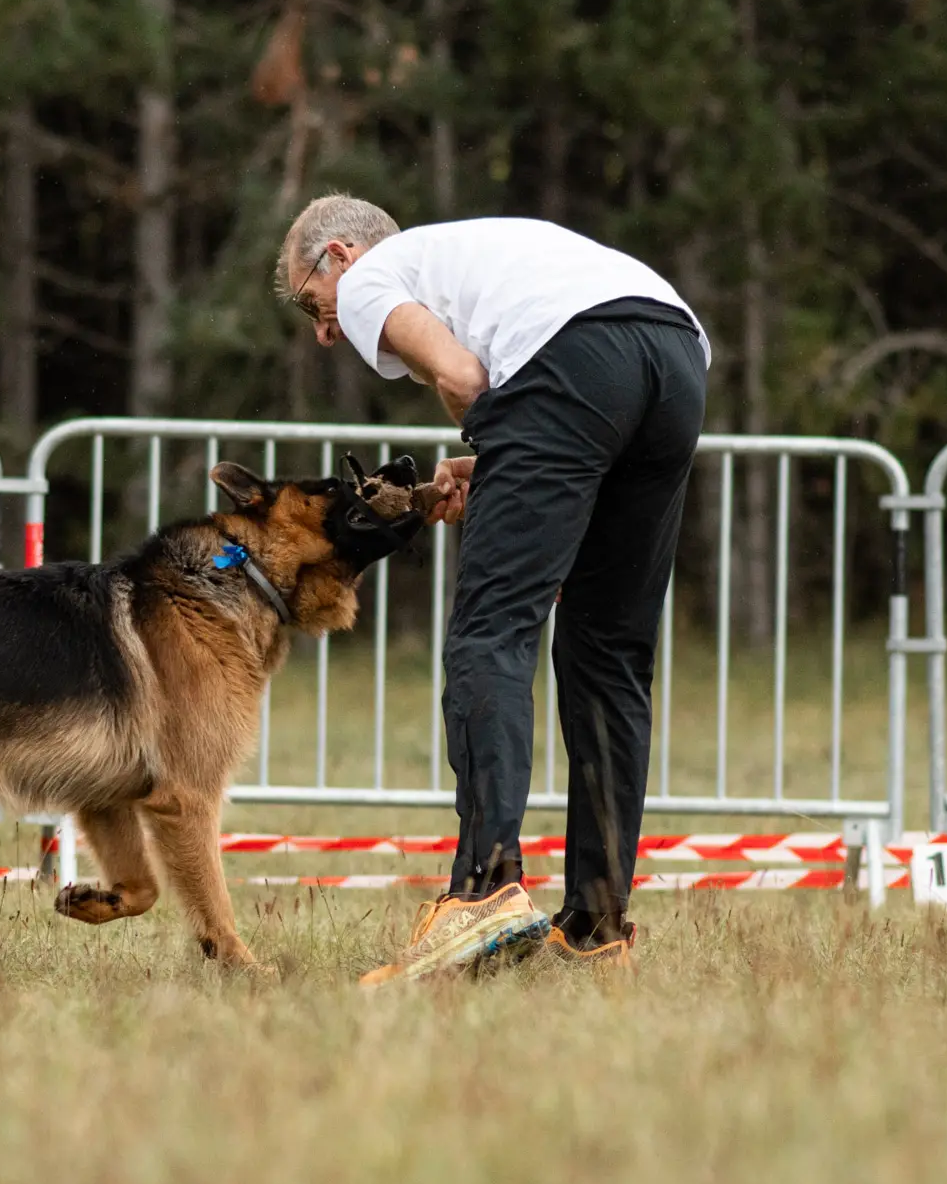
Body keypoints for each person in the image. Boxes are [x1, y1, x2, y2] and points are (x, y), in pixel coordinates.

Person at [275, 197, 709, 982]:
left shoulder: (375, 274)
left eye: (314, 301)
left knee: (491, 631)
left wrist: (502, 446)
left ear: (338, 253)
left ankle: (482, 891)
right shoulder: (476, 254)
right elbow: (536, 394)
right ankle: (596, 924)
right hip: (673, 352)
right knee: (608, 655)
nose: (325, 331)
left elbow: (467, 377)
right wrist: (504, 460)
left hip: (575, 358)